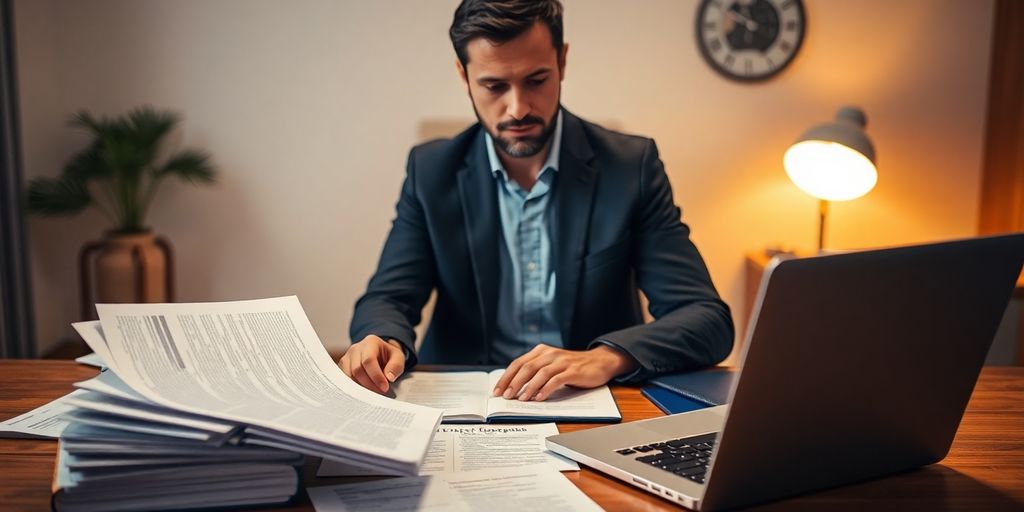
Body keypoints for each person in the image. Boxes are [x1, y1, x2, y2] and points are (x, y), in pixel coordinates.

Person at [339, 0, 733, 402]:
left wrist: (605, 356)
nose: (518, 108)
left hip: (588, 402)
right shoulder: (431, 170)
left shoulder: (630, 167)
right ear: (464, 76)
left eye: (536, 80)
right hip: (461, 405)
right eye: (494, 86)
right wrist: (382, 339)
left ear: (562, 62)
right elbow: (388, 297)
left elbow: (706, 319)